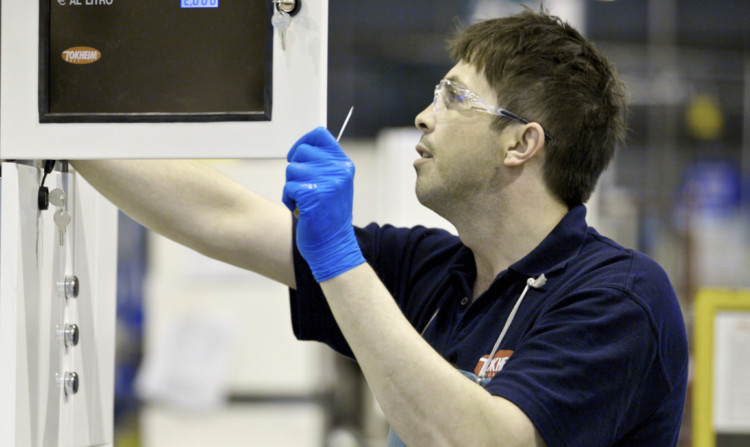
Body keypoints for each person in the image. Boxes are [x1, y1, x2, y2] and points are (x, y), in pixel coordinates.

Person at [72, 8, 688, 447]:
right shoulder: (436, 270)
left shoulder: (618, 298)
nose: (424, 117)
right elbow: (221, 216)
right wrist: (55, 125)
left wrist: (339, 256)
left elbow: (478, 440)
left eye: (454, 98)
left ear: (521, 143)